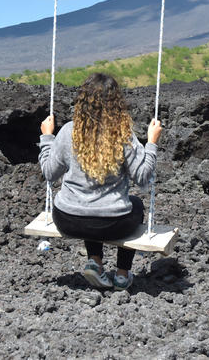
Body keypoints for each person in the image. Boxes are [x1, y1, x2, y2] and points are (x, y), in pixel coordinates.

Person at [38, 72, 162, 291]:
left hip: (66, 219)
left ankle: (95, 262)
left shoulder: (68, 131)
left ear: (82, 100)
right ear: (116, 102)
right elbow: (143, 177)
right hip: (112, 224)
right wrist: (151, 142)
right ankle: (122, 274)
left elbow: (49, 173)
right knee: (136, 204)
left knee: (89, 204)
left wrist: (47, 137)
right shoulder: (122, 134)